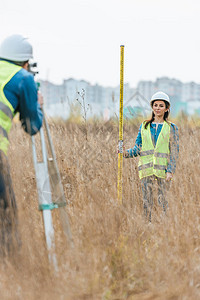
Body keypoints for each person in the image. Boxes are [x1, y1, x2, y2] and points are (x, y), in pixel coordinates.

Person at [0, 34, 43, 255]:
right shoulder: (23, 78)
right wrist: (38, 105)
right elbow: (32, 126)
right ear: (26, 62)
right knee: (6, 216)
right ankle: (11, 269)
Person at [123, 91, 179, 222]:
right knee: (147, 202)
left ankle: (165, 226)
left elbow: (174, 151)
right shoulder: (144, 126)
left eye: (161, 105)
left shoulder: (172, 128)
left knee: (163, 201)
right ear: (152, 107)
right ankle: (147, 225)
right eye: (155, 105)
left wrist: (170, 171)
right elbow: (138, 148)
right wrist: (126, 153)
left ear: (167, 108)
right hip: (146, 169)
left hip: (163, 171)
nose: (157, 108)